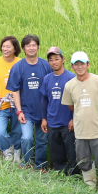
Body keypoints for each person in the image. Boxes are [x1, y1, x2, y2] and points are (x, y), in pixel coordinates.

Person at [61, 51, 98, 194]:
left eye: (82, 63)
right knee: (84, 161)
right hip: (80, 131)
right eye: (76, 64)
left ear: (88, 64)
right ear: (72, 66)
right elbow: (71, 106)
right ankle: (90, 187)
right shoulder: (69, 85)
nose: (79, 66)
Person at [7, 34, 52, 169]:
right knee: (26, 138)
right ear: (23, 48)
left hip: (43, 110)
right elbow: (15, 90)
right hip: (26, 110)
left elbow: (51, 87)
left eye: (34, 45)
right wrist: (19, 111)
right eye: (28, 45)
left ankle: (40, 165)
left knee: (42, 140)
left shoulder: (45, 65)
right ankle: (26, 162)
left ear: (38, 47)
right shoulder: (18, 67)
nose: (31, 48)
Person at [39, 47, 78, 176]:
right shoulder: (47, 79)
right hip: (52, 121)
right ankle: (61, 173)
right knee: (56, 151)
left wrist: (73, 118)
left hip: (67, 122)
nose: (54, 62)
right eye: (51, 60)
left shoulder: (71, 78)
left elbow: (76, 101)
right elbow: (44, 99)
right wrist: (44, 119)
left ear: (63, 59)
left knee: (72, 150)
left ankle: (74, 174)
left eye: (57, 59)